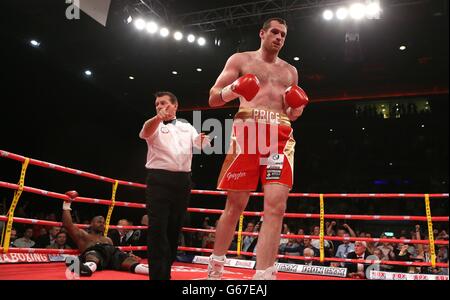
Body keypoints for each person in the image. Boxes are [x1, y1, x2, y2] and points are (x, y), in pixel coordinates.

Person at [207, 17, 309, 280]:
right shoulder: (240, 60)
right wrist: (234, 88)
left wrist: (296, 108)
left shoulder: (290, 71)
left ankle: (264, 274)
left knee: (276, 207)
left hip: (281, 136)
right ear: (262, 33)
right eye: (274, 32)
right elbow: (214, 97)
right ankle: (216, 265)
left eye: (283, 35)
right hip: (249, 131)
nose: (279, 37)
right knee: (235, 205)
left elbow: (292, 112)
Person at [139, 91, 210, 280]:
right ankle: (157, 276)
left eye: (163, 103)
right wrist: (157, 117)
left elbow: (200, 144)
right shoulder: (154, 124)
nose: (160, 106)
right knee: (157, 228)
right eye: (157, 104)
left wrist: (204, 141)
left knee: (174, 228)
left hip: (183, 182)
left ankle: (165, 272)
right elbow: (145, 132)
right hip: (159, 181)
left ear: (175, 105)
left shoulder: (186, 126)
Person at [62, 191, 148, 277]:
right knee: (93, 253)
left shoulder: (107, 239)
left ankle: (150, 271)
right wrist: (67, 204)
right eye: (99, 222)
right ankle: (86, 269)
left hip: (111, 258)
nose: (102, 224)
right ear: (91, 224)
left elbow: (115, 254)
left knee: (126, 258)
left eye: (103, 222)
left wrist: (128, 255)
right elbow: (68, 225)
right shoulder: (84, 235)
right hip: (95, 256)